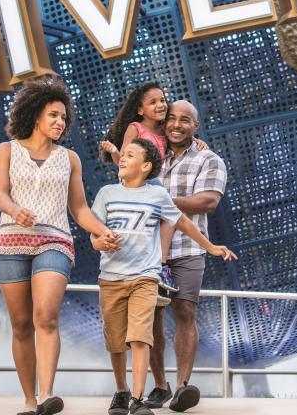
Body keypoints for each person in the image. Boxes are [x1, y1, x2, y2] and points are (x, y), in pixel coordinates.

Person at [0, 76, 119, 415]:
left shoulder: (70, 159)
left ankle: (46, 395)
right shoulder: (6, 151)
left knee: (45, 315)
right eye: (53, 116)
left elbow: (79, 209)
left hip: (55, 240)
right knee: (20, 324)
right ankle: (29, 401)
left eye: (63, 117)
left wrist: (103, 231)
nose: (60, 122)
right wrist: (16, 210)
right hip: (10, 241)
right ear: (36, 116)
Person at [91, 138, 236, 415]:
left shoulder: (157, 196)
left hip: (145, 277)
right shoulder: (106, 194)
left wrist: (211, 247)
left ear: (146, 166)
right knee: (116, 341)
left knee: (140, 337)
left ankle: (136, 399)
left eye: (130, 155)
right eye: (123, 155)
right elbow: (93, 232)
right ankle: (121, 391)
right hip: (111, 278)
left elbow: (183, 223)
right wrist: (99, 243)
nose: (122, 159)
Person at [145, 101, 228, 412]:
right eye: (171, 119)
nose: (176, 125)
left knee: (184, 313)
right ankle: (159, 386)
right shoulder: (151, 157)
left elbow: (207, 201)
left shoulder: (210, 160)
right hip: (149, 250)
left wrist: (160, 200)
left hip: (189, 248)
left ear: (197, 126)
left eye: (185, 120)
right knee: (150, 319)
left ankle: (181, 387)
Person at [99, 83, 207, 302]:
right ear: (140, 110)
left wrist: (195, 141)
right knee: (167, 213)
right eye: (153, 102)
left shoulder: (164, 131)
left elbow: (181, 138)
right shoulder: (136, 128)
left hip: (154, 183)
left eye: (162, 100)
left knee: (168, 217)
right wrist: (114, 153)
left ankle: (159, 266)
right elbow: (125, 160)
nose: (160, 105)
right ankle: (149, 268)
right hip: (140, 182)